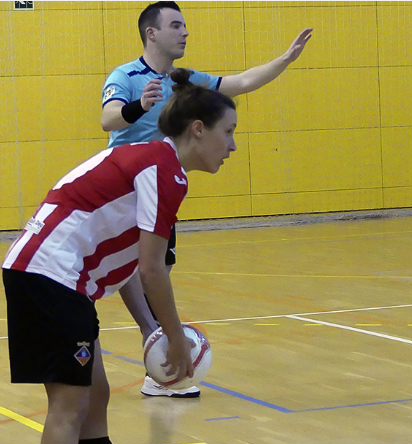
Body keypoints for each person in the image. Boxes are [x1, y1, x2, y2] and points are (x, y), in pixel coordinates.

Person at [2, 69, 237, 444]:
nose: (232, 146)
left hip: (60, 278)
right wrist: (173, 337)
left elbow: (133, 264)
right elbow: (153, 268)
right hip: (48, 275)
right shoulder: (163, 167)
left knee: (97, 394)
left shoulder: (154, 164)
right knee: (69, 405)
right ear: (198, 129)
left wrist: (151, 330)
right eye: (228, 132)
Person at [101, 1, 312, 398]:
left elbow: (241, 82)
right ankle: (158, 346)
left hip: (159, 190)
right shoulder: (126, 76)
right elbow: (108, 119)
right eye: (176, 25)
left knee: (155, 268)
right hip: (124, 192)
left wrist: (284, 60)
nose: (184, 32)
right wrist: (138, 106)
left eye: (185, 25)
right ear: (152, 33)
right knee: (137, 268)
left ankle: (158, 358)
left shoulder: (185, 80)